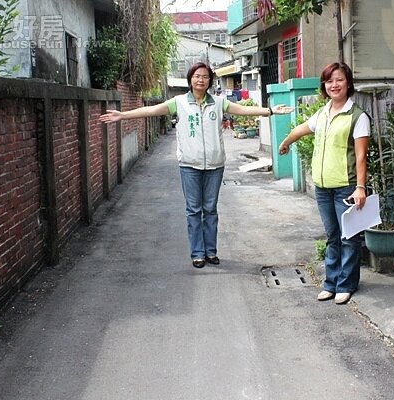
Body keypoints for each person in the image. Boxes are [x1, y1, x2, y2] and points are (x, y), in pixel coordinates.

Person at [100, 62, 292, 269]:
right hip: (189, 166)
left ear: (210, 81)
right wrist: (123, 115)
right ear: (190, 79)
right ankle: (198, 253)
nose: (201, 80)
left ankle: (211, 251)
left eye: (205, 77)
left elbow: (243, 110)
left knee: (210, 209)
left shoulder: (218, 103)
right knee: (193, 210)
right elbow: (152, 110)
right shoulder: (179, 102)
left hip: (215, 166)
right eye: (197, 76)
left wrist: (270, 111)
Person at [278, 62, 370, 305]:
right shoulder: (323, 113)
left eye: (339, 80)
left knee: (348, 237)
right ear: (324, 86)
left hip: (346, 187)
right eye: (329, 81)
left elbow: (361, 155)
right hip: (322, 187)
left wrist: (360, 187)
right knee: (332, 236)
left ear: (348, 83)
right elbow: (302, 129)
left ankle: (346, 285)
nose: (334, 85)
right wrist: (286, 142)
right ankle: (331, 283)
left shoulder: (357, 117)